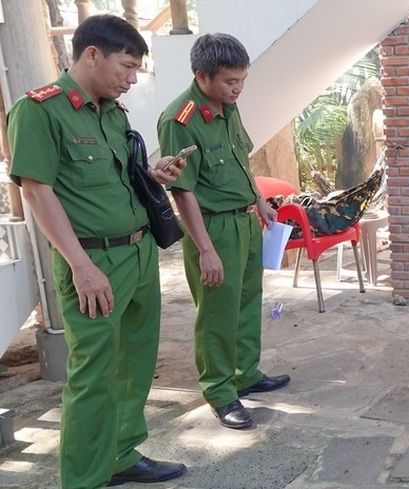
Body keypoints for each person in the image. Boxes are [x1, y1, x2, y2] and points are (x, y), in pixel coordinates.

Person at [7, 14, 187, 488]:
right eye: (126, 67)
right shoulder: (40, 110)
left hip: (139, 252)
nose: (131, 79)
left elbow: (111, 179)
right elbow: (36, 193)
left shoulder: (112, 111)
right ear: (92, 55)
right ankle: (84, 478)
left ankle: (121, 454)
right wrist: (81, 266)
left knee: (135, 363)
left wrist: (152, 174)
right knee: (92, 376)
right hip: (93, 262)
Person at [157, 33, 290, 431]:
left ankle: (245, 373)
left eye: (242, 80)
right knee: (217, 313)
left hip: (246, 219)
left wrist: (259, 200)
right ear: (202, 75)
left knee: (248, 300)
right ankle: (219, 391)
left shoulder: (228, 107)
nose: (238, 89)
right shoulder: (179, 119)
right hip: (213, 227)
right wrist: (206, 250)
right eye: (230, 81)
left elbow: (239, 158)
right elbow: (183, 192)